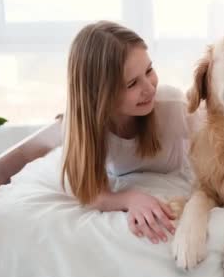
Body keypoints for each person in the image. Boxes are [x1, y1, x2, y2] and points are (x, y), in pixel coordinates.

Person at [61, 21, 197, 243]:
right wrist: (130, 199)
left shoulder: (171, 104)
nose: (149, 88)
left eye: (149, 70)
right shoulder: (79, 125)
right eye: (132, 83)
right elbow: (91, 194)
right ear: (99, 95)